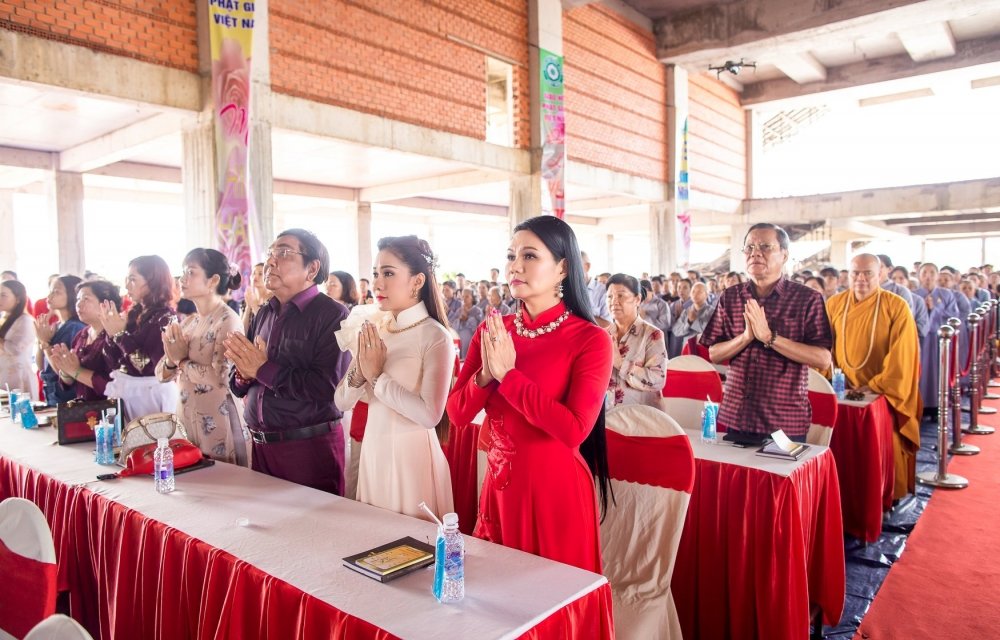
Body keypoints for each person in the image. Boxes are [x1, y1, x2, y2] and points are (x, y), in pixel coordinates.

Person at [446, 215, 613, 574]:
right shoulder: (494, 330)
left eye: (530, 256)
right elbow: (457, 415)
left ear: (563, 268)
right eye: (511, 256)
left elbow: (573, 430)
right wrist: (486, 373)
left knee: (549, 597)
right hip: (499, 491)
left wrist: (509, 376)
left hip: (555, 494)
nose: (515, 266)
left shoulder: (591, 340)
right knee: (495, 593)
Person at [334, 235, 455, 520]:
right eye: (376, 274)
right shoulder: (376, 328)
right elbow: (341, 401)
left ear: (417, 281)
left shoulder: (436, 336)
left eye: (388, 273)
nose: (377, 284)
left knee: (413, 540)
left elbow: (430, 415)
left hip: (411, 458)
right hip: (374, 450)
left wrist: (377, 377)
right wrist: (361, 370)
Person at [226, 229, 350, 495]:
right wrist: (244, 375)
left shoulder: (333, 315)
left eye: (283, 253)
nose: (271, 261)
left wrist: (261, 369)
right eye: (270, 253)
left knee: (313, 521)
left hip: (307, 449)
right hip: (261, 446)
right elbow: (240, 383)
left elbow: (326, 387)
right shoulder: (264, 312)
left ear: (312, 268)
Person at [699, 223, 833, 441]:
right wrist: (745, 338)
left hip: (783, 418)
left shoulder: (807, 299)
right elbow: (714, 353)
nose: (755, 253)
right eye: (749, 247)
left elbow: (823, 359)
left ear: (784, 255)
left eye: (765, 247)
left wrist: (769, 337)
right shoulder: (730, 297)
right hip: (737, 415)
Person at [827, 254, 921, 498]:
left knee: (881, 447)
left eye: (867, 273)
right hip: (842, 391)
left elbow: (903, 355)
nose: (861, 278)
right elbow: (825, 346)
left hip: (882, 395)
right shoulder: (834, 304)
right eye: (855, 273)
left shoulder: (896, 306)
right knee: (842, 447)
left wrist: (876, 385)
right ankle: (841, 498)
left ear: (880, 274)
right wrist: (832, 378)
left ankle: (882, 498)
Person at [156, 249, 250, 466]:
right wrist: (172, 360)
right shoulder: (190, 322)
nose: (182, 279)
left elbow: (221, 377)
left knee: (221, 479)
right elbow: (161, 373)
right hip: (187, 416)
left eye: (191, 272)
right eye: (183, 272)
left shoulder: (228, 320)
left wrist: (181, 362)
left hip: (218, 419)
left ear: (213, 280)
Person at [99, 256, 178, 420]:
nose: (127, 285)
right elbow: (112, 362)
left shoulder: (165, 318)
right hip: (130, 392)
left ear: (152, 281)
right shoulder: (133, 314)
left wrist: (120, 336)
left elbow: (148, 367)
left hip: (152, 396)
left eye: (133, 279)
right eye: (127, 279)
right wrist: (110, 332)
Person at [48, 281, 121, 402]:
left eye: (86, 299)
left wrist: (76, 371)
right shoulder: (82, 335)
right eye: (78, 299)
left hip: (109, 408)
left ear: (105, 303)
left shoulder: (115, 334)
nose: (78, 304)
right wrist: (65, 369)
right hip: (84, 408)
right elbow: (68, 382)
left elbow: (111, 384)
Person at [606, 274, 666, 408]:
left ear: (637, 299)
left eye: (621, 296)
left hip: (639, 415)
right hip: (607, 414)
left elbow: (657, 380)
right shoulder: (603, 335)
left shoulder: (652, 335)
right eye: (609, 296)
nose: (614, 301)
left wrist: (620, 363)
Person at [913, 263, 959, 410]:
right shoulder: (914, 295)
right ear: (919, 276)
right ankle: (919, 405)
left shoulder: (946, 294)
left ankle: (938, 405)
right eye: (924, 273)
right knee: (920, 371)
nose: (928, 276)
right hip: (920, 340)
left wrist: (935, 309)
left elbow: (954, 316)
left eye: (932, 272)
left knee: (939, 370)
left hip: (940, 340)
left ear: (937, 275)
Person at [35, 275, 85, 406]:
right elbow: (41, 366)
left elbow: (63, 371)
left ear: (72, 295)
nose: (49, 296)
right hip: (51, 392)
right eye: (50, 291)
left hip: (66, 396)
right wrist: (40, 339)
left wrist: (45, 344)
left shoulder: (74, 327)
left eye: (56, 292)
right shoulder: (56, 325)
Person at [877, 254, 929, 342]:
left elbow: (905, 322)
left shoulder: (902, 292)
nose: (876, 270)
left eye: (880, 266)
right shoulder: (866, 290)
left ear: (889, 269)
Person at [0, 280, 37, 399]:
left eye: (3, 295)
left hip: (19, 377)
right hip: (4, 375)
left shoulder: (25, 320)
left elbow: (16, 349)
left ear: (18, 298)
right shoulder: (4, 318)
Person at [671, 281, 715, 345]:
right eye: (693, 291)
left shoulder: (712, 311)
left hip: (704, 347)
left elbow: (711, 332)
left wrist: (694, 321)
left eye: (699, 292)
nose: (695, 294)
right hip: (687, 347)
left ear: (706, 295)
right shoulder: (686, 311)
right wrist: (689, 323)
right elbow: (676, 331)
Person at [580, 251, 612, 328]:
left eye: (573, 266)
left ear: (587, 266)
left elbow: (607, 324)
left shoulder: (603, 291)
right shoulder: (563, 290)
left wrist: (577, 315)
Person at [453, 288, 483, 359]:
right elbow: (454, 327)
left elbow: (478, 328)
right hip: (459, 341)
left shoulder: (477, 311)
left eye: (467, 296)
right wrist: (459, 320)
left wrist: (467, 318)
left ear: (472, 297)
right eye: (463, 296)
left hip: (471, 341)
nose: (464, 299)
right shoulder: (459, 310)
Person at [241, 262, 268, 333]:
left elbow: (267, 328)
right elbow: (242, 331)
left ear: (267, 276)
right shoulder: (248, 299)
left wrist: (253, 305)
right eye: (253, 273)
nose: (255, 277)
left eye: (260, 274)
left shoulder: (272, 300)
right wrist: (248, 306)